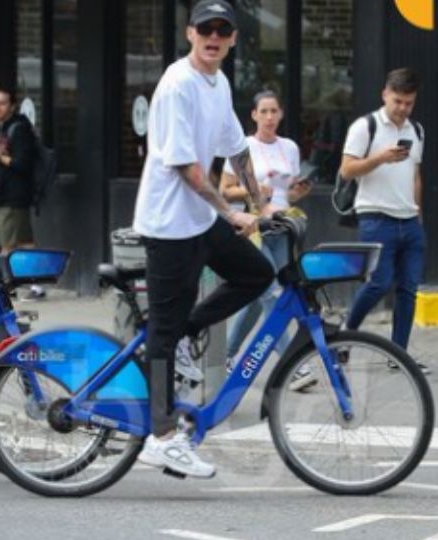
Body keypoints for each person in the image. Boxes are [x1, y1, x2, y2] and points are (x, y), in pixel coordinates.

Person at [132, 0, 274, 479]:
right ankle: (161, 437)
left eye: (223, 30)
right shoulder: (177, 85)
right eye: (206, 29)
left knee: (257, 273)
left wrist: (261, 206)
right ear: (190, 33)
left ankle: (188, 333)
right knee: (162, 334)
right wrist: (231, 212)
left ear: (232, 40)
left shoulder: (218, 83)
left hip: (199, 220)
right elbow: (186, 166)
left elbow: (237, 149)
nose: (214, 37)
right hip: (170, 225)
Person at [338, 68, 428, 370]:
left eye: (409, 103)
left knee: (408, 290)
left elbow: (416, 175)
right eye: (398, 101)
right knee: (378, 284)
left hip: (409, 219)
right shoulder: (366, 127)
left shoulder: (416, 130)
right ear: (385, 94)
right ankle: (344, 336)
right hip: (376, 216)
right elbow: (346, 170)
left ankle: (398, 356)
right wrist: (381, 158)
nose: (402, 109)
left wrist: (419, 214)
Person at [220, 90, 312, 384]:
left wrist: (299, 191)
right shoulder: (242, 147)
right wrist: (256, 190)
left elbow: (291, 191)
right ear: (254, 115)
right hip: (253, 227)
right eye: (264, 112)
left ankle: (227, 354)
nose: (270, 117)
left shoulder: (290, 148)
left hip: (282, 226)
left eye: (275, 111)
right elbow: (225, 190)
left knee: (260, 295)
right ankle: (292, 364)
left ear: (281, 114)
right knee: (273, 294)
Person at [0, 88, 45, 299]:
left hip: (14, 194)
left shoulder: (20, 128)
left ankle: (10, 285)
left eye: (2, 103)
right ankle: (34, 285)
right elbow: (2, 163)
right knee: (22, 241)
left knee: (10, 243)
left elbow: (22, 164)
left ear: (12, 106)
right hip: (1, 192)